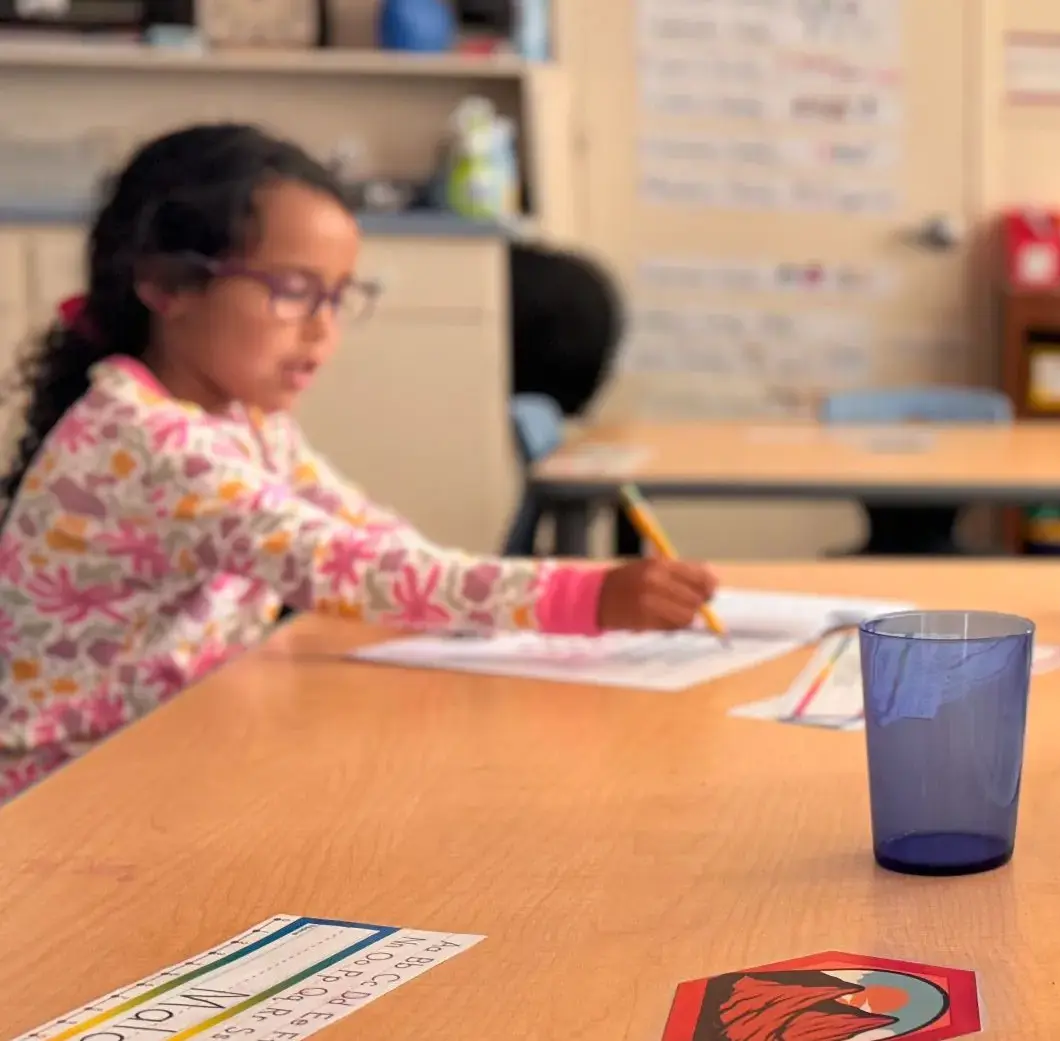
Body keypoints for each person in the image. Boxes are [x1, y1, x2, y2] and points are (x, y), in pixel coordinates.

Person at [0, 124, 715, 803]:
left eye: (338, 298)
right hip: (67, 793)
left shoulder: (242, 420)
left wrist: (493, 608)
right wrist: (582, 599)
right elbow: (347, 570)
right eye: (292, 291)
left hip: (162, 753)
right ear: (166, 283)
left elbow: (376, 539)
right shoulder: (144, 439)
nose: (323, 331)